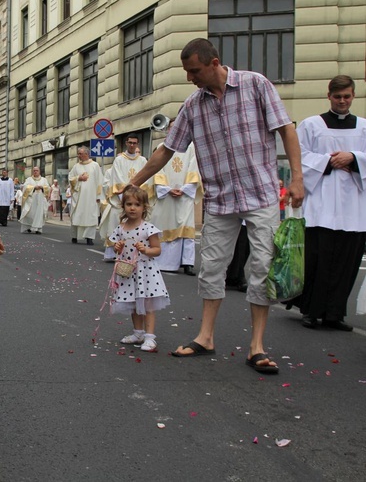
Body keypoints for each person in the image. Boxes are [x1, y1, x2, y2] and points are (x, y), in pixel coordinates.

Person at [127, 38, 304, 374]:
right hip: (221, 199)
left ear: (214, 62)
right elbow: (168, 150)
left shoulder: (256, 85)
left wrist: (296, 178)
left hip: (261, 195)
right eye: (187, 72)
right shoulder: (193, 105)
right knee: (210, 268)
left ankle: (257, 346)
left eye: (194, 70)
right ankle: (206, 337)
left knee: (261, 268)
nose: (190, 77)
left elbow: (286, 130)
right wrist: (137, 181)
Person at [287, 75, 366, 331]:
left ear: (353, 96)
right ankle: (311, 310)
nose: (342, 101)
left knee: (347, 260)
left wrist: (353, 157)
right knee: (317, 259)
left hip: (353, 206)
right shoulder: (311, 125)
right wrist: (329, 161)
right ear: (329, 96)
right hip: (321, 204)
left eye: (347, 96)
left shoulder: (363, 127)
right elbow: (298, 156)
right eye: (337, 96)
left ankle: (334, 314)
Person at [109, 187, 170, 352]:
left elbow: (157, 250)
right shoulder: (121, 228)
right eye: (129, 204)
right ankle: (138, 333)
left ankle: (150, 337)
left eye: (137, 204)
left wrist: (146, 250)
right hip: (129, 272)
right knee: (133, 303)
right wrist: (118, 247)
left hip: (146, 272)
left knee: (148, 304)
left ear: (144, 207)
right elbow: (116, 249)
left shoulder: (148, 228)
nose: (132, 208)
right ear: (123, 206)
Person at [152, 142, 202, 275]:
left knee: (187, 229)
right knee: (166, 225)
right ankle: (164, 261)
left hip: (184, 196)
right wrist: (166, 189)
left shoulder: (191, 147)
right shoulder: (162, 146)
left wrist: (185, 189)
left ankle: (187, 263)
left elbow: (194, 168)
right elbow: (157, 169)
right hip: (167, 197)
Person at [100, 135, 149, 259]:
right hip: (121, 199)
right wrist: (126, 196)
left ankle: (133, 253)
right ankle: (112, 254)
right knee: (117, 224)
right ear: (126, 143)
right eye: (130, 142)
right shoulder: (119, 160)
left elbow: (146, 178)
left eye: (135, 143)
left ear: (138, 144)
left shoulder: (143, 160)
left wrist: (137, 196)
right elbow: (118, 178)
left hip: (137, 199)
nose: (132, 145)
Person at [69, 146, 103, 245]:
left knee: (91, 216)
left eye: (80, 153)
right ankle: (74, 236)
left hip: (91, 196)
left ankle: (89, 237)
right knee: (77, 215)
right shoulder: (76, 166)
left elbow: (100, 181)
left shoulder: (95, 165)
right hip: (79, 197)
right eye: (78, 153)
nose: (78, 155)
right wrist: (79, 178)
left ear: (86, 154)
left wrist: (98, 196)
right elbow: (70, 178)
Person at [19, 167, 50, 234]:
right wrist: (33, 187)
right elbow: (25, 187)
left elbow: (48, 187)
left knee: (39, 214)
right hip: (31, 199)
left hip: (40, 199)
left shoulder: (44, 180)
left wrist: (42, 187)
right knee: (30, 213)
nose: (35, 172)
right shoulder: (29, 179)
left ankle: (38, 229)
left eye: (37, 170)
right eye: (34, 171)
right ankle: (28, 227)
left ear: (39, 171)